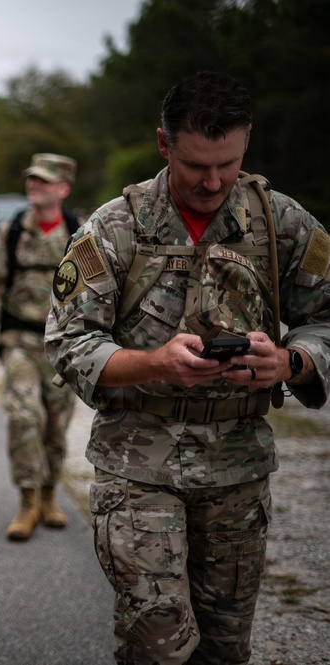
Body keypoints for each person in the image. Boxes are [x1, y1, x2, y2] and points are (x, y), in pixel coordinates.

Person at [45, 71, 330, 664]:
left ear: (247, 140)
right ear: (162, 144)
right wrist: (152, 363)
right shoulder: (113, 230)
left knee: (226, 649)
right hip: (138, 466)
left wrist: (291, 361)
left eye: (227, 162)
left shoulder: (283, 225)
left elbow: (325, 319)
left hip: (238, 470)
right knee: (158, 645)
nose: (213, 180)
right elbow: (69, 342)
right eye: (196, 164)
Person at [0, 153, 80, 541]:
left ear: (63, 188)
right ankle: (28, 501)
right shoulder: (12, 231)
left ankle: (50, 496)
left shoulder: (80, 234)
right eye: (32, 179)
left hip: (65, 348)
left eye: (45, 181)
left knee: (55, 423)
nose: (35, 185)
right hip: (19, 342)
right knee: (23, 415)